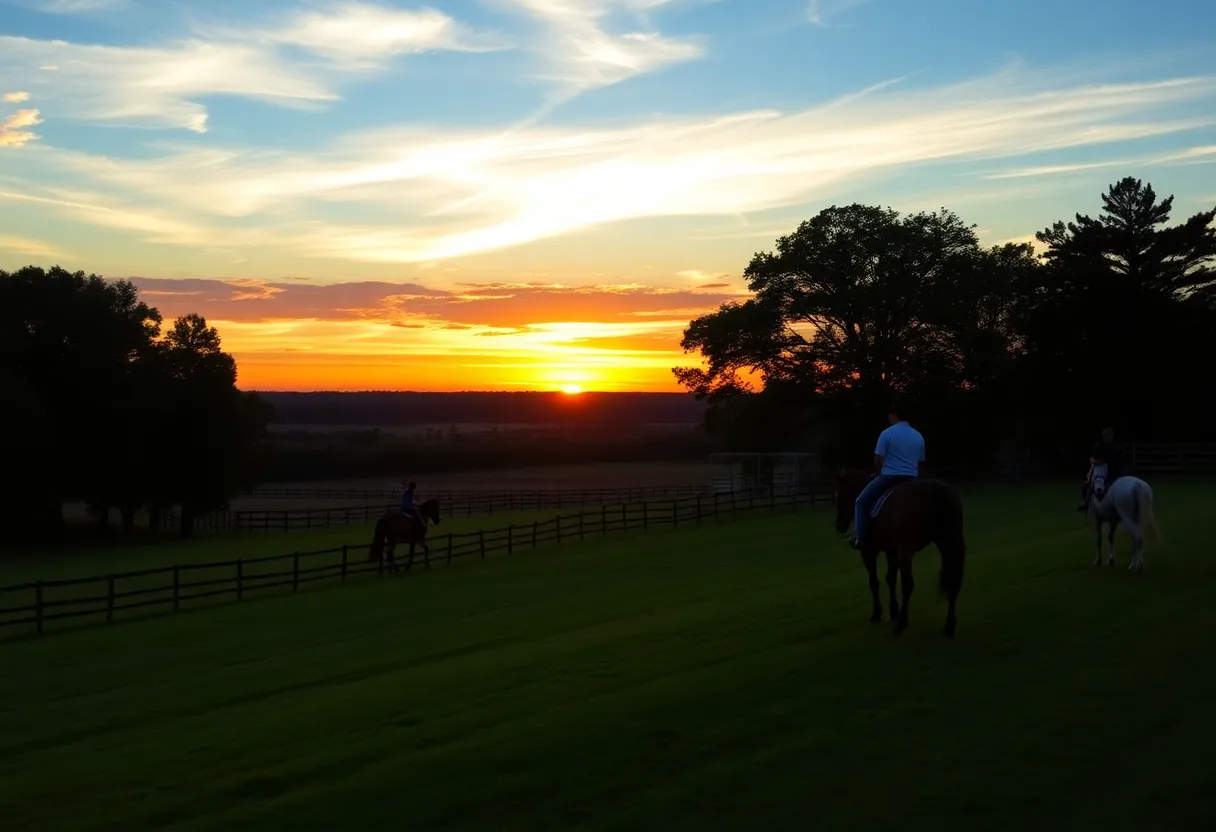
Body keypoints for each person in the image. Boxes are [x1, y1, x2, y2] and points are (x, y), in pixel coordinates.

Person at [852, 405, 925, 549]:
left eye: (889, 416)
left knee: (861, 501)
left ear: (894, 415)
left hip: (890, 477)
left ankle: (861, 538)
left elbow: (878, 459)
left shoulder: (887, 433)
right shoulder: (918, 435)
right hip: (912, 479)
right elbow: (920, 460)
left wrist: (878, 471)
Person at [1076, 427, 1124, 511]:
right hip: (1100, 470)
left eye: (1108, 436)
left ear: (1111, 436)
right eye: (1105, 436)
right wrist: (1094, 461)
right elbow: (1093, 457)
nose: (1106, 437)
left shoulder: (1116, 447)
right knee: (1086, 486)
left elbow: (1119, 460)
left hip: (1113, 471)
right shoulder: (1099, 446)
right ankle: (1087, 503)